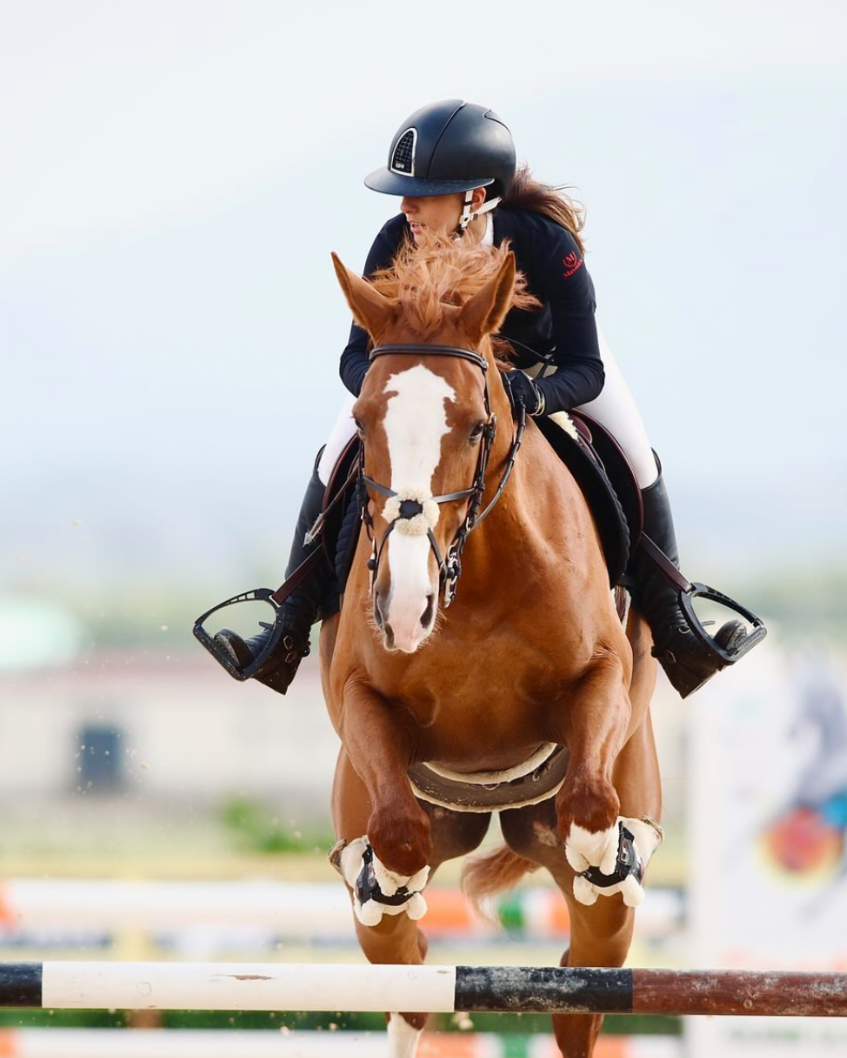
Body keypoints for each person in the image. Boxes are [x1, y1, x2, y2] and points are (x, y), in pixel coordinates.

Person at [211, 99, 762, 697]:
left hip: (547, 374)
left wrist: (533, 393)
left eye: (424, 192)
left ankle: (677, 619)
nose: (406, 206)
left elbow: (588, 368)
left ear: (476, 196)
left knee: (637, 454)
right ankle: (286, 627)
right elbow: (353, 358)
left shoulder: (549, 246)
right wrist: (399, 395)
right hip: (419, 388)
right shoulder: (394, 241)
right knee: (332, 453)